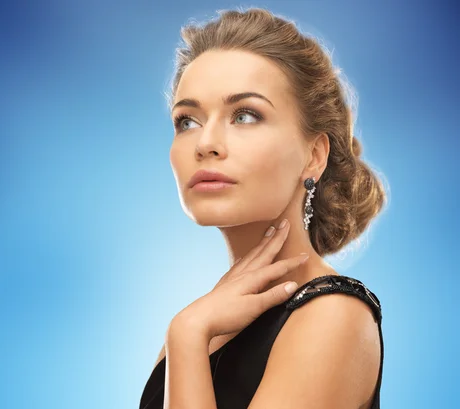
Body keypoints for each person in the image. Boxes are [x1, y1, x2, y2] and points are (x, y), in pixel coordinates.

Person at [139, 7, 388, 409]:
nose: (205, 143)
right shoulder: (209, 319)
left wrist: (186, 334)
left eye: (245, 115)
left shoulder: (334, 316)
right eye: (187, 121)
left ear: (314, 155)